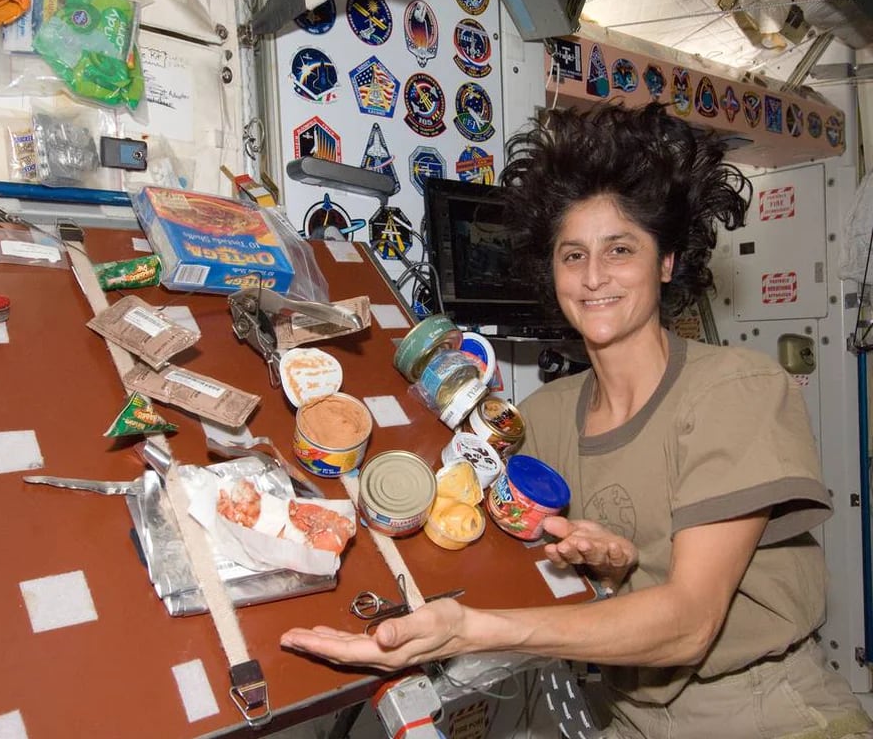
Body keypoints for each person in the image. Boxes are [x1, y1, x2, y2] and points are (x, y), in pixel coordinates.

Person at [280, 102, 873, 738]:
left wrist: (470, 630)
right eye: (572, 255)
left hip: (762, 710)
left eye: (620, 249)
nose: (593, 277)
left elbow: (689, 621)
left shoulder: (736, 390)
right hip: (629, 713)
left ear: (666, 262)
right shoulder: (544, 417)